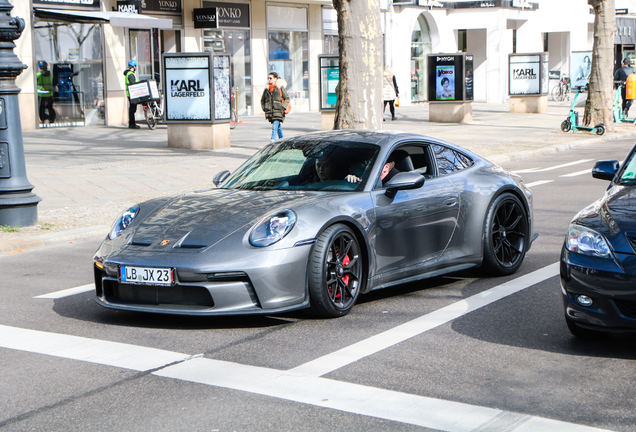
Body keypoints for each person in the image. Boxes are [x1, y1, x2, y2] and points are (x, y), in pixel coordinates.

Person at [261, 72, 290, 142]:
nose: (269, 79)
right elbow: (262, 100)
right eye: (268, 78)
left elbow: (287, 98)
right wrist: (265, 108)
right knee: (278, 127)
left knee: (274, 126)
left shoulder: (280, 87)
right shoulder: (267, 89)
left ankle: (272, 139)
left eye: (271, 78)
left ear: (275, 79)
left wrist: (283, 107)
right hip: (270, 111)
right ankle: (282, 140)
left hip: (279, 111)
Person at [124, 59, 140, 129]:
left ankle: (132, 123)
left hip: (130, 94)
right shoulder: (130, 74)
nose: (136, 67)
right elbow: (133, 84)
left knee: (132, 109)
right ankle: (132, 124)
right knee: (132, 109)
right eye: (135, 66)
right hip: (132, 94)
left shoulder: (129, 74)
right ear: (134, 66)